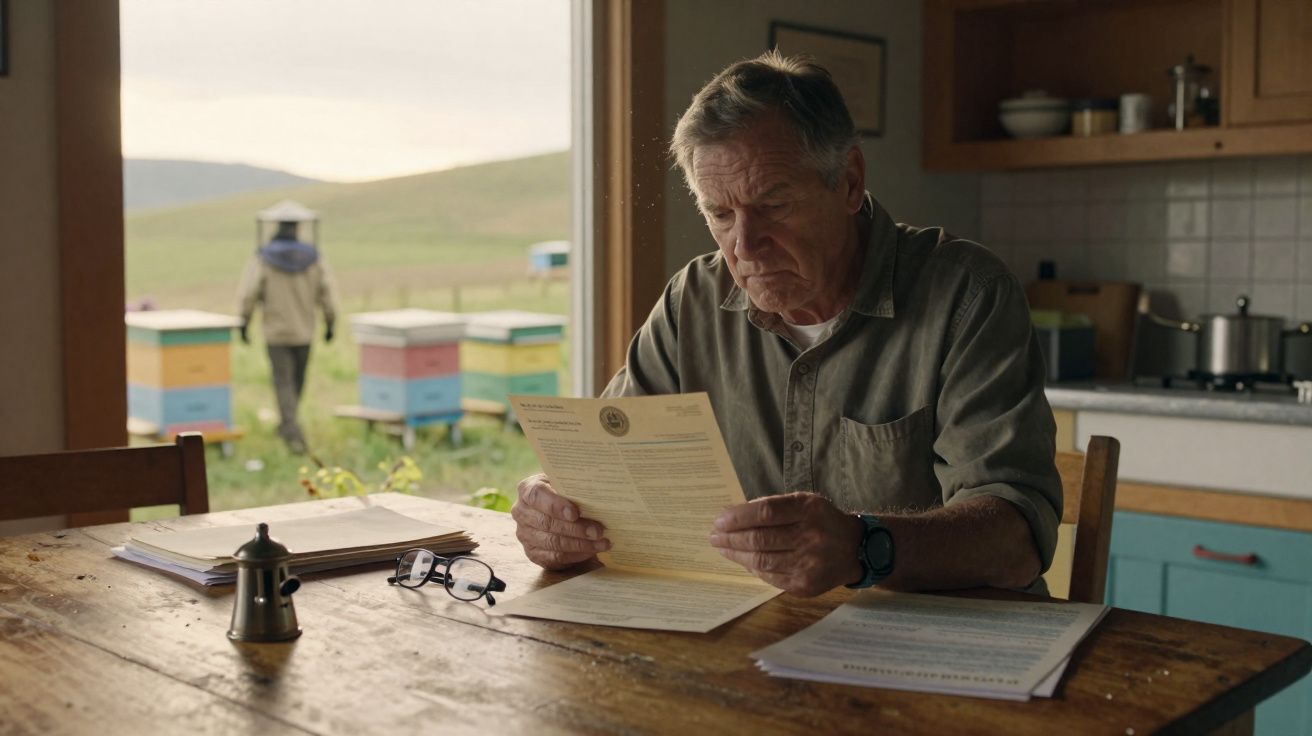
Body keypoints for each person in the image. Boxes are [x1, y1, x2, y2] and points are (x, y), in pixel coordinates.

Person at [512, 51, 1062, 597]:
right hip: (753, 635)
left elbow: (1017, 541)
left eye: (773, 205)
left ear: (849, 182)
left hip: (938, 644)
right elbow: (609, 471)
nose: (744, 246)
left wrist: (862, 546)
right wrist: (556, 510)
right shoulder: (693, 300)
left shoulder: (967, 294)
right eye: (720, 215)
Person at [236, 220, 339, 455]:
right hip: (304, 331)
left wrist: (244, 322)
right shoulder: (313, 258)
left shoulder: (264, 259)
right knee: (296, 382)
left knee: (284, 383)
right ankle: (291, 430)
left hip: (276, 333)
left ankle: (289, 430)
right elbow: (328, 292)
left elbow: (249, 292)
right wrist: (330, 322)